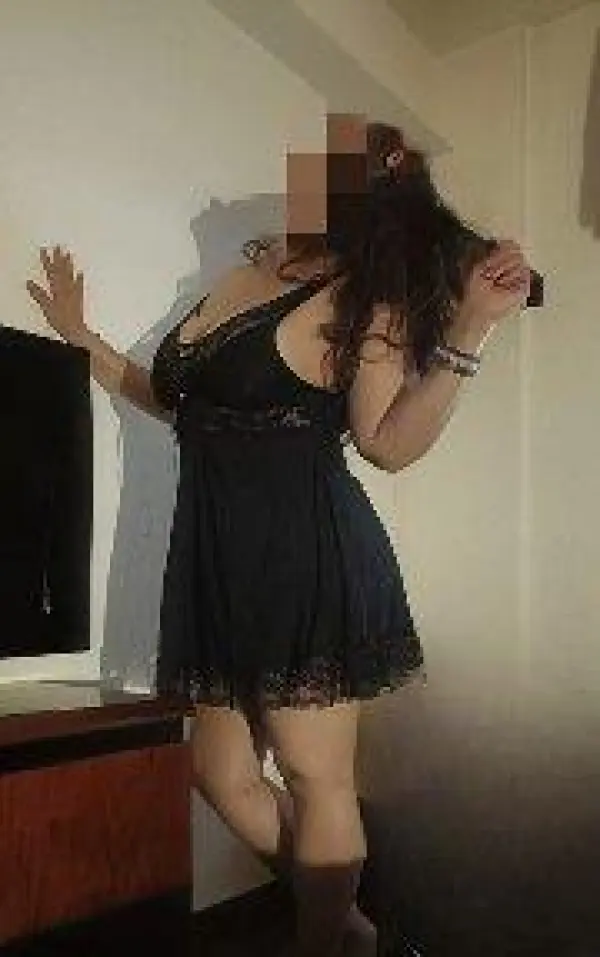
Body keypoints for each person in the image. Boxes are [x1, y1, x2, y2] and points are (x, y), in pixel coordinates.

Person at [26, 114, 531, 957]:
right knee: (217, 773)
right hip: (216, 563)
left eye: (335, 160)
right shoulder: (244, 270)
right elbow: (177, 401)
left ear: (376, 180)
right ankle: (352, 929)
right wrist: (84, 339)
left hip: (308, 559)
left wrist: (470, 330)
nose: (308, 169)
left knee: (314, 776)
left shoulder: (365, 297)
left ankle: (322, 940)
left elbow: (385, 443)